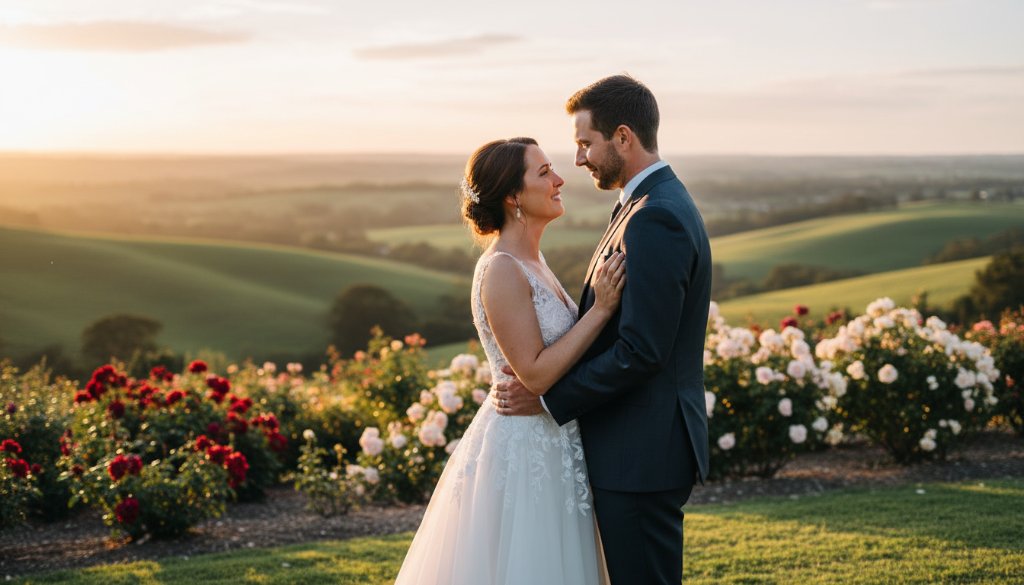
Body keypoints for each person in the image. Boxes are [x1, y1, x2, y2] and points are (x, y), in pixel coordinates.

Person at [493, 74, 712, 585]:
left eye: (584, 143)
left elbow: (642, 351)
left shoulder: (655, 217)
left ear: (622, 137)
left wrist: (549, 399)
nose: (578, 160)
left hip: (642, 451)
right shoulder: (645, 205)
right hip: (636, 447)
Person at [393, 136, 624, 584]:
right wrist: (600, 311)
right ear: (513, 197)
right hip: (525, 452)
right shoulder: (501, 269)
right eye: (544, 173)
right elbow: (534, 374)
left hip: (554, 441)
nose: (559, 180)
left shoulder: (533, 261)